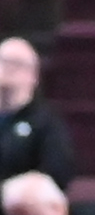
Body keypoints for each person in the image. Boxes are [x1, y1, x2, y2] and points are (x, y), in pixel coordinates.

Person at [0, 36, 76, 190]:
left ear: (34, 75)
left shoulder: (45, 122)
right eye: (3, 61)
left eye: (17, 64)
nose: (8, 69)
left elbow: (57, 174)